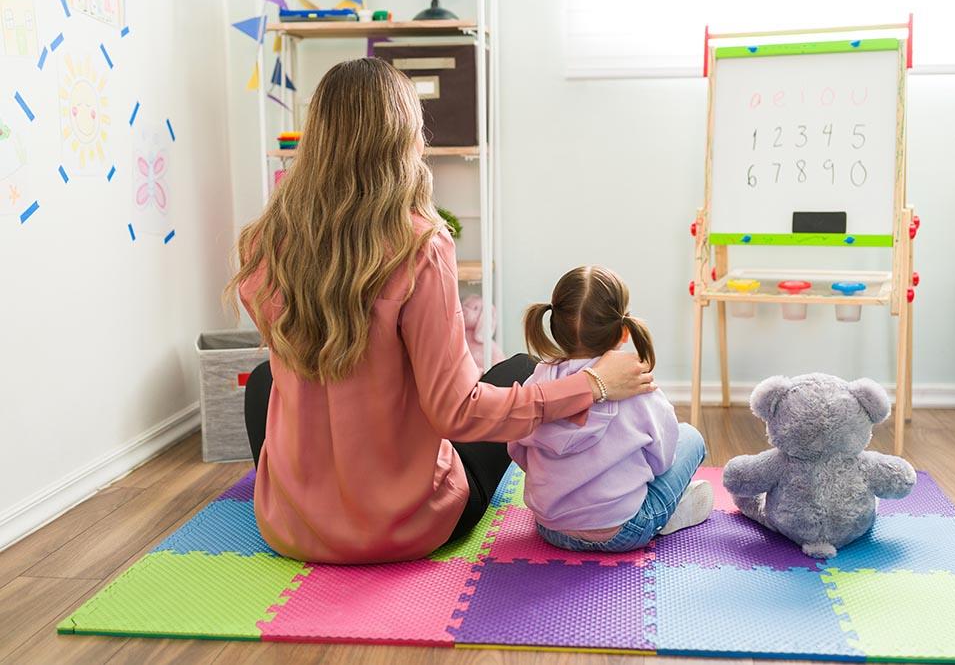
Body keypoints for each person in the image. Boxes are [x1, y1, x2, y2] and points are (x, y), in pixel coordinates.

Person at [224, 58, 655, 564]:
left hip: (288, 527)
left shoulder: (263, 240)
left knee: (263, 381)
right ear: (403, 138)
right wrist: (594, 385)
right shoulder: (420, 242)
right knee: (519, 368)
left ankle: (308, 500)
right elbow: (458, 413)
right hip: (405, 526)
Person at [509, 266, 711, 553]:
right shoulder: (637, 388)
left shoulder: (538, 386)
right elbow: (662, 462)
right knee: (690, 437)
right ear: (624, 331)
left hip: (550, 526)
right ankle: (669, 515)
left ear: (554, 326)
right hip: (624, 531)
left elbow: (518, 451)